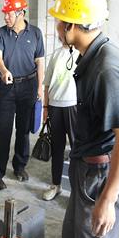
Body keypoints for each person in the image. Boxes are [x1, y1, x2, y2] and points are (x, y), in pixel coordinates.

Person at [49, 0, 119, 238]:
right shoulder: (92, 57)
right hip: (86, 166)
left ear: (72, 26)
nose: (57, 27)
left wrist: (108, 200)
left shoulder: (106, 70)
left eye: (59, 21)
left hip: (102, 175)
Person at [0, 0, 44, 191]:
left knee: (23, 130)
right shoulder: (0, 33)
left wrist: (39, 87)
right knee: (3, 131)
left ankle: (19, 166)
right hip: (7, 87)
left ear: (21, 13)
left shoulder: (35, 33)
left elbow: (39, 62)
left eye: (9, 14)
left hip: (28, 86)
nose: (6, 17)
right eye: (4, 13)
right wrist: (4, 71)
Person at [41, 45, 78, 201]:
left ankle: (78, 190)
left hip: (74, 105)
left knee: (77, 148)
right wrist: (45, 107)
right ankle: (56, 185)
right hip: (55, 105)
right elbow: (47, 82)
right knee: (57, 148)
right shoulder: (56, 53)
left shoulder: (81, 52)